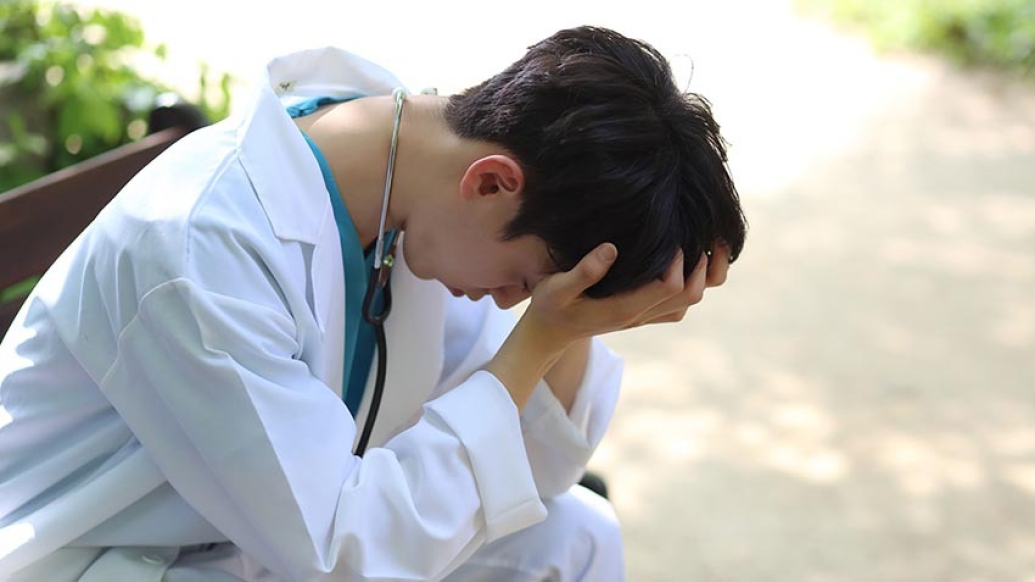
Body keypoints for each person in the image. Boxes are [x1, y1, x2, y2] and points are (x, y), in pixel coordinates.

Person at [0, 25, 746, 581]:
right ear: (491, 182)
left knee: (573, 536)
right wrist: (540, 337)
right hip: (109, 555)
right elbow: (341, 552)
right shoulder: (202, 249)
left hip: (248, 538)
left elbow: (526, 472)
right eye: (529, 279)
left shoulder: (412, 185)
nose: (516, 301)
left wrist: (572, 319)